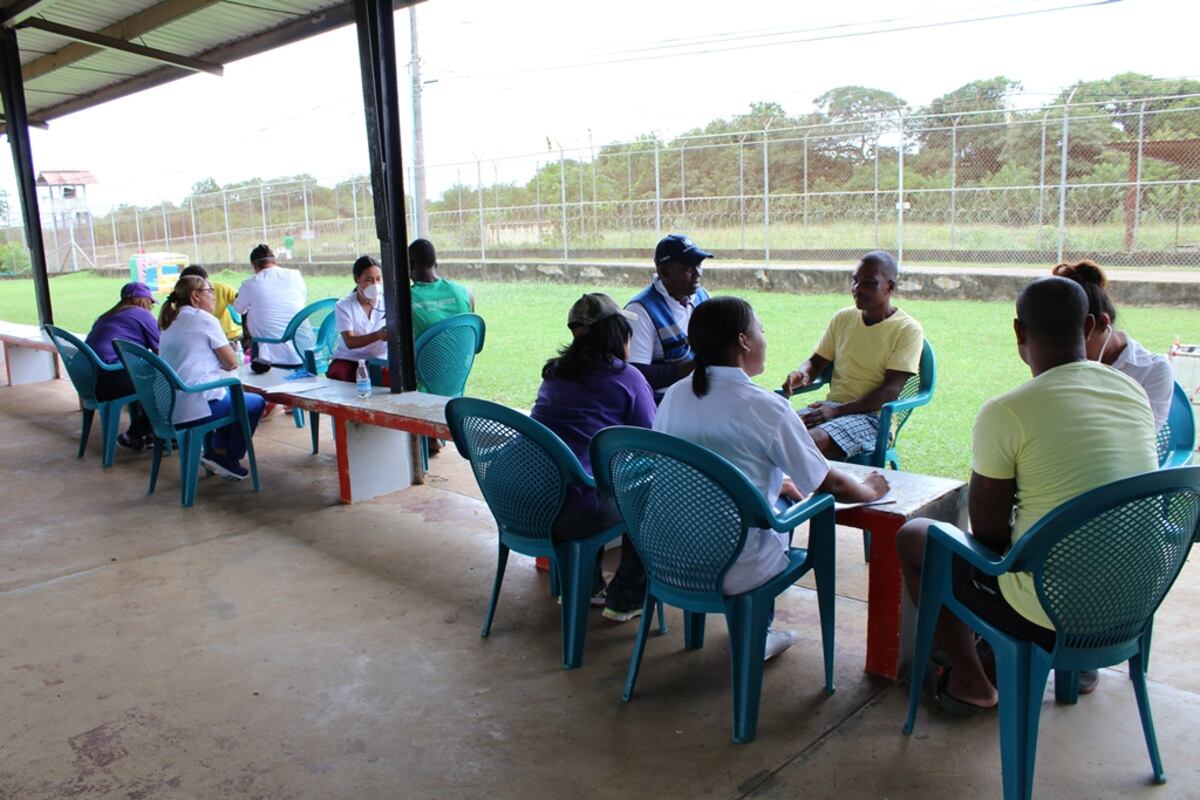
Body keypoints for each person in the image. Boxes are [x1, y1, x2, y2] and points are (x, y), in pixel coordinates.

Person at [895, 277, 1157, 715]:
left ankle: (970, 683)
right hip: (1133, 602)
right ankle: (993, 657)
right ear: (1089, 324)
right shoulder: (1132, 392)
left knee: (917, 538)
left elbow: (990, 536)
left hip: (1051, 614)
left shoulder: (1007, 411)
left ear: (1019, 332)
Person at [656, 296, 889, 660]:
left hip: (666, 560)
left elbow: (695, 471)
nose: (764, 337)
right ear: (744, 341)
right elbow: (828, 484)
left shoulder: (674, 396)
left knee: (779, 492)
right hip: (733, 568)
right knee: (791, 505)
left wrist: (768, 484)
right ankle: (757, 633)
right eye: (760, 330)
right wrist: (870, 490)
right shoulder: (765, 407)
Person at [530, 293, 656, 622]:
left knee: (587, 474)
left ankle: (586, 585)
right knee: (649, 492)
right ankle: (627, 598)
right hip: (575, 513)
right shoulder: (627, 379)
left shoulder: (555, 374)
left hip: (530, 506)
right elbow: (652, 443)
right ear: (618, 334)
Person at [782, 250, 923, 462]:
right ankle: (784, 492)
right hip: (831, 410)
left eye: (868, 282)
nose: (857, 289)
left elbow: (890, 392)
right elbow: (816, 362)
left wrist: (837, 411)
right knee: (772, 430)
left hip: (873, 419)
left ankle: (810, 491)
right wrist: (802, 373)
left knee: (806, 442)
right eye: (855, 281)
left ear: (890, 287)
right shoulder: (843, 318)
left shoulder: (907, 330)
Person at [158, 275, 266, 480]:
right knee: (254, 403)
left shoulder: (170, 321)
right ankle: (226, 456)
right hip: (195, 406)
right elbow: (231, 363)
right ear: (195, 296)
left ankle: (219, 452)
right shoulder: (204, 319)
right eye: (210, 292)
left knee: (229, 397)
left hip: (169, 405)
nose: (214, 297)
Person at [1052, 260, 1174, 429]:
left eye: (1073, 337)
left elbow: (1141, 437)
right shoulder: (1058, 364)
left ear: (1101, 323)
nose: (1064, 349)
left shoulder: (1152, 370)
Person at [625, 233, 712, 396]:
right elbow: (636, 375)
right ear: (664, 271)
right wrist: (696, 364)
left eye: (699, 264)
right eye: (688, 267)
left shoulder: (703, 297)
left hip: (701, 396)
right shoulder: (640, 311)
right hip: (663, 403)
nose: (698, 273)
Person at [84, 282, 160, 451]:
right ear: (140, 300)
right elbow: (161, 351)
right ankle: (135, 434)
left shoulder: (106, 317)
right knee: (163, 386)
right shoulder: (141, 314)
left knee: (146, 377)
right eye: (151, 302)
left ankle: (149, 434)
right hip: (111, 380)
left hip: (89, 383)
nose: (151, 307)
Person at [234, 244, 308, 365]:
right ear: (275, 260)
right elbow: (302, 299)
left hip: (270, 355)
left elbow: (239, 310)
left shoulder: (250, 284)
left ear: (254, 265)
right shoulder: (295, 275)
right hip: (304, 348)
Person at [327, 255, 390, 385]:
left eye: (378, 279)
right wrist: (378, 335)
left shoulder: (389, 302)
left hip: (379, 359)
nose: (375, 284)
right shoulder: (344, 305)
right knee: (338, 379)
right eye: (369, 280)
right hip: (350, 359)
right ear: (357, 280)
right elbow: (350, 342)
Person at [408, 238, 474, 339]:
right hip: (462, 355)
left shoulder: (405, 298)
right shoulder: (466, 293)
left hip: (427, 355)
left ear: (410, 265)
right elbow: (472, 339)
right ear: (435, 264)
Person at [180, 265, 241, 343]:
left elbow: (245, 303)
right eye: (208, 291)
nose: (213, 296)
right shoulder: (181, 301)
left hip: (231, 337)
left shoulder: (222, 289)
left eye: (211, 290)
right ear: (195, 294)